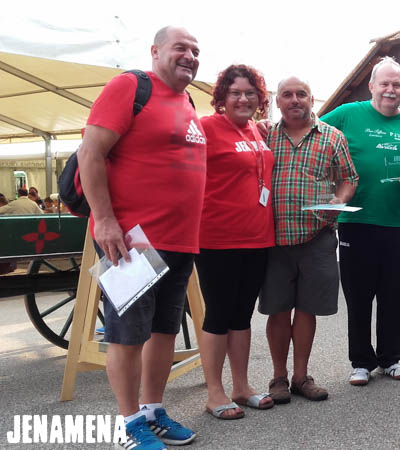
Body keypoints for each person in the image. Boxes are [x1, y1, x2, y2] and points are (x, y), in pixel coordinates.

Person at [78, 26, 205, 449]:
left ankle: (152, 411)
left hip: (180, 241)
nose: (190, 56)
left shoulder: (187, 101)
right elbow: (90, 152)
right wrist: (104, 220)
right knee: (127, 335)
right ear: (155, 51)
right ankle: (129, 422)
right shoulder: (130, 87)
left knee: (164, 331)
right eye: (180, 48)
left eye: (196, 51)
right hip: (132, 242)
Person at [321, 57, 400, 386]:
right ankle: (361, 362)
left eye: (396, 84)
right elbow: (312, 131)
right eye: (384, 83)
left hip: (396, 221)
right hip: (356, 220)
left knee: (393, 294)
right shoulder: (347, 114)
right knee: (358, 294)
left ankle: (391, 359)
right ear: (371, 86)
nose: (390, 90)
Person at [259, 76, 358, 401]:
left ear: (311, 100)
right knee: (277, 309)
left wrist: (339, 201)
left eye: (301, 94)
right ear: (277, 102)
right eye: (287, 95)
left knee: (306, 308)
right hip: (273, 238)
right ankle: (278, 378)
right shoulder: (265, 135)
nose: (294, 100)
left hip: (317, 236)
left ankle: (301, 377)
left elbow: (349, 178)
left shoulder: (332, 136)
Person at [195, 64, 274, 420]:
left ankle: (242, 387)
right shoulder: (206, 128)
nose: (243, 99)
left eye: (250, 93)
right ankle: (215, 392)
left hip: (258, 237)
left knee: (242, 315)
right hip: (217, 238)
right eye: (235, 93)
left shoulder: (256, 130)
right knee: (218, 314)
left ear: (259, 98)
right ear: (222, 98)